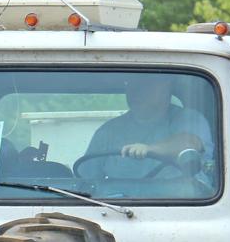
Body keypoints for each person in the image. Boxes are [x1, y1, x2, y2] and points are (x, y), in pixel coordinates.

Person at [78, 75, 213, 180]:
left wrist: (150, 149)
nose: (136, 90)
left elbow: (190, 144)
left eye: (146, 85)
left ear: (166, 87)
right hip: (117, 209)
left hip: (185, 207)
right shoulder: (108, 132)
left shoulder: (189, 119)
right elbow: (87, 181)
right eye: (131, 84)